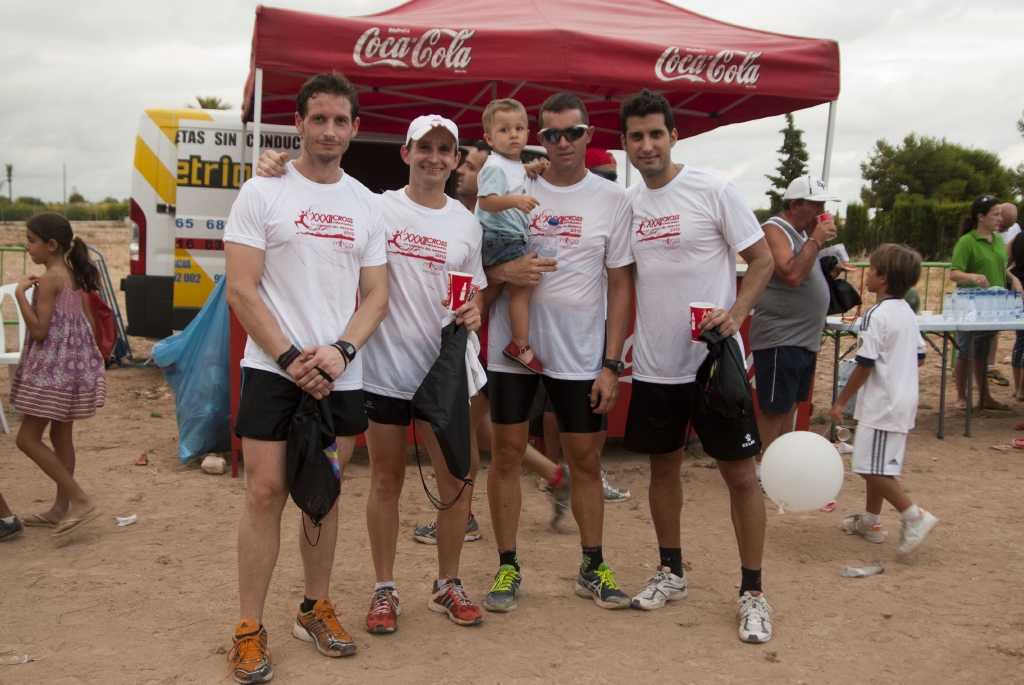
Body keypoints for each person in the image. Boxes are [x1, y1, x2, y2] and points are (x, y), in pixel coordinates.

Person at [224, 72, 389, 684]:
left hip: (339, 376)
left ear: (354, 128)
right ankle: (248, 627)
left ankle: (314, 608)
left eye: (340, 120)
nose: (329, 130)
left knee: (323, 493)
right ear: (298, 123)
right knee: (266, 493)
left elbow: (377, 295)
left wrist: (341, 352)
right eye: (318, 118)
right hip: (274, 370)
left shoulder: (366, 203)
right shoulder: (261, 192)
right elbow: (241, 289)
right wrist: (292, 359)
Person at [618, 90, 777, 643]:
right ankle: (672, 572)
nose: (647, 145)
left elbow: (762, 259)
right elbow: (620, 280)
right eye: (636, 136)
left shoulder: (714, 190)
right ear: (625, 144)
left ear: (673, 136)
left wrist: (735, 314)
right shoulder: (628, 205)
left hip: (714, 366)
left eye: (655, 134)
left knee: (740, 476)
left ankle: (752, 592)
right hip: (656, 366)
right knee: (663, 470)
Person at [479, 92, 634, 613]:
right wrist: (502, 272)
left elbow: (621, 285)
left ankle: (593, 566)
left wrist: (611, 364)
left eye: (573, 132)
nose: (562, 142)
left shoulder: (613, 198)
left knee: (585, 460)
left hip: (580, 352)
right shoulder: (516, 182)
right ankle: (507, 566)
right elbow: (479, 254)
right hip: (513, 350)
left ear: (589, 134)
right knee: (506, 454)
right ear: (538, 137)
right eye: (551, 134)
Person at [358, 115, 489, 630]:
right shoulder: (377, 207)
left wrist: (475, 309)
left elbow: (474, 289)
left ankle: (447, 584)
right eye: (424, 147)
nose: (434, 157)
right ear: (406, 153)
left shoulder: (466, 222)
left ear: (456, 159)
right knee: (386, 480)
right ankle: (384, 590)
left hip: (445, 373)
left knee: (455, 480)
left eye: (444, 149)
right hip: (384, 368)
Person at [829, 244, 938, 553]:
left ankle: (914, 516)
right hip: (900, 401)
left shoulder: (876, 315)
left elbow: (865, 364)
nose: (867, 275)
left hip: (883, 404)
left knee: (868, 467)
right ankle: (870, 522)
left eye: (872, 270)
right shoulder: (906, 312)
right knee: (875, 463)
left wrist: (840, 402)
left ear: (884, 278)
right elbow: (919, 357)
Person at [11, 212, 106, 537]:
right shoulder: (72, 276)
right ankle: (60, 509)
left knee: (26, 439)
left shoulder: (50, 279)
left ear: (51, 245)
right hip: (71, 371)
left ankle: (80, 500)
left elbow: (39, 331)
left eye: (31, 240)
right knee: (60, 436)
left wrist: (19, 295)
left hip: (51, 373)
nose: (27, 246)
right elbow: (88, 324)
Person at [749, 176, 838, 492]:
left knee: (790, 406)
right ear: (795, 204)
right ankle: (757, 470)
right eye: (816, 204)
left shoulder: (800, 235)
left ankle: (780, 465)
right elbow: (790, 274)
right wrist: (815, 240)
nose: (821, 211)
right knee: (775, 407)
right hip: (780, 336)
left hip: (802, 337)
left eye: (824, 205)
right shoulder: (773, 229)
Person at [475, 99, 545, 373]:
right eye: (504, 130)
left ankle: (468, 337)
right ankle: (520, 345)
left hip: (500, 237)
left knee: (491, 290)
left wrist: (529, 168)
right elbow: (486, 201)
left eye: (519, 128)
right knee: (523, 288)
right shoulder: (494, 166)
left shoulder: (510, 164)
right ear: (489, 139)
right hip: (502, 236)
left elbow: (514, 173)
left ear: (528, 133)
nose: (513, 134)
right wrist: (516, 201)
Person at [950, 196, 1021, 411]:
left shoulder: (998, 240)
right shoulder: (967, 242)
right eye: (996, 214)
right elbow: (955, 273)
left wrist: (1013, 278)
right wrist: (972, 276)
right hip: (969, 305)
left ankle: (985, 397)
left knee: (983, 350)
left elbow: (1001, 266)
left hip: (993, 305)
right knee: (965, 351)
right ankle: (961, 397)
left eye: (1001, 214)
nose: (1000, 219)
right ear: (981, 216)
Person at [989, 202, 1022, 388]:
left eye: (1009, 226)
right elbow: (1002, 263)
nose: (1005, 229)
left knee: (995, 330)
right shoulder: (986, 229)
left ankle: (990, 366)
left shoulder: (1016, 231)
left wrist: (1011, 277)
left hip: (1004, 285)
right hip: (987, 286)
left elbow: (1006, 261)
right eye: (1003, 225)